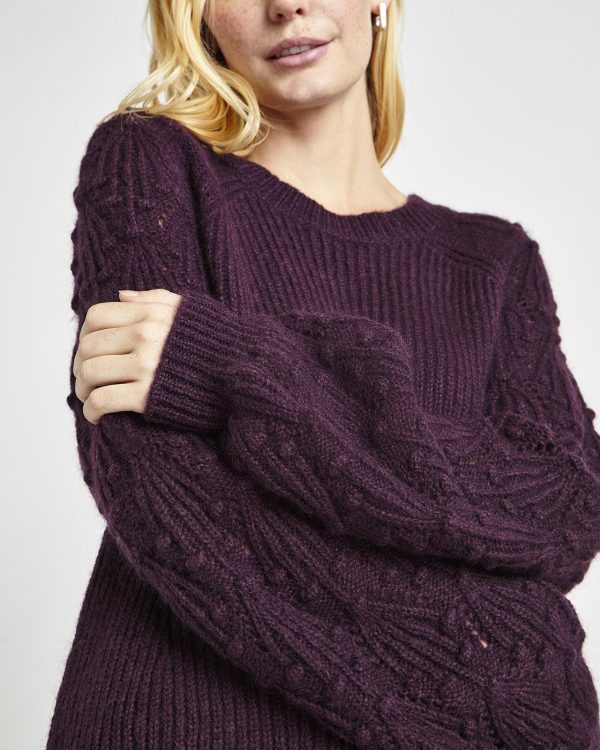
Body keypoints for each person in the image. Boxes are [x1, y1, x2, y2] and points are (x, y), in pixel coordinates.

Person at [47, 1, 600, 748]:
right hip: (184, 718)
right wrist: (495, 676)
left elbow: (564, 510)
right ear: (198, 16)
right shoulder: (149, 164)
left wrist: (241, 367)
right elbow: (162, 491)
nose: (286, 5)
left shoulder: (496, 262)